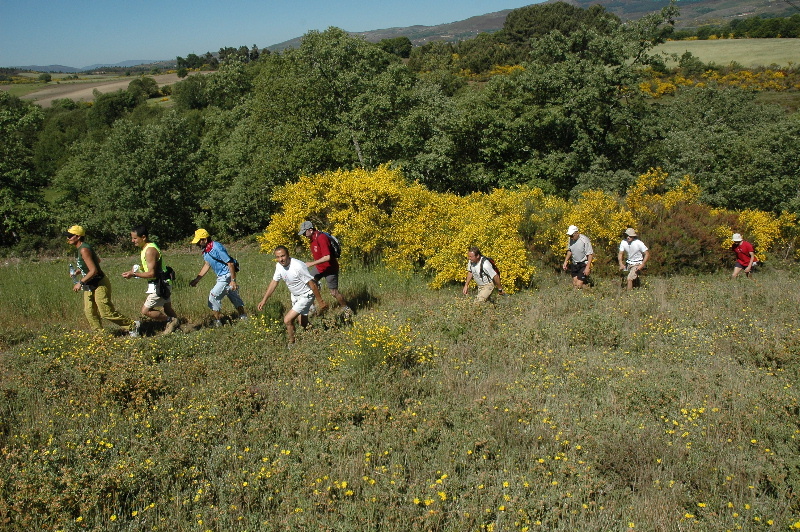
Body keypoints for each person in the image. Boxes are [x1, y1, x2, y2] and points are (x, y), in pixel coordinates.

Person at [63, 225, 140, 337]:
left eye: (70, 236)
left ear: (78, 237)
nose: (68, 238)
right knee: (89, 311)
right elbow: (96, 261)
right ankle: (100, 335)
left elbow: (93, 270)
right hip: (89, 284)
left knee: (105, 312)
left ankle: (132, 325)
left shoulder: (84, 249)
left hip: (99, 283)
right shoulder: (81, 249)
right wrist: (78, 272)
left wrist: (81, 282)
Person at [257, 246, 328, 345]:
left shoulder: (298, 266)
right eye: (278, 257)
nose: (281, 259)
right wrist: (264, 300)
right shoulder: (279, 266)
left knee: (287, 320)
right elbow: (274, 282)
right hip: (295, 295)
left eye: (283, 256)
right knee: (303, 323)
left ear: (288, 255)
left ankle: (292, 343)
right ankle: (320, 335)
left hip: (306, 295)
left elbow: (312, 284)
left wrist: (321, 302)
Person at [121, 225, 181, 334]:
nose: (132, 241)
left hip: (160, 284)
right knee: (167, 308)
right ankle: (178, 328)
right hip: (163, 282)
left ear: (143, 237)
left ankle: (171, 320)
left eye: (135, 238)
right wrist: (136, 269)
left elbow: (152, 273)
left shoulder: (150, 251)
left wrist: (134, 274)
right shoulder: (146, 248)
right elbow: (149, 268)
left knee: (146, 311)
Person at [188, 228, 247, 326]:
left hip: (226, 275)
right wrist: (197, 279)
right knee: (233, 296)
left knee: (213, 296)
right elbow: (207, 264)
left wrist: (233, 280)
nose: (197, 244)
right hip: (222, 276)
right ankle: (243, 317)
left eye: (198, 241)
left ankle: (217, 322)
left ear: (205, 240)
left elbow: (230, 263)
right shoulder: (206, 250)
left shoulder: (216, 247)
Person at [298, 221, 352, 316]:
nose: (304, 235)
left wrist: (311, 263)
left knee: (334, 292)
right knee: (309, 284)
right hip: (320, 268)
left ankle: (346, 308)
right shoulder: (312, 238)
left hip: (330, 268)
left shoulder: (321, 238)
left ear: (310, 230)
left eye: (304, 232)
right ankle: (312, 309)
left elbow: (327, 257)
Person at [562, 225, 594, 289]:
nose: (570, 237)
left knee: (579, 285)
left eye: (572, 235)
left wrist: (587, 267)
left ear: (577, 233)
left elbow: (590, 254)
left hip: (583, 264)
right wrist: (566, 261)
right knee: (575, 283)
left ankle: (587, 291)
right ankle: (586, 289)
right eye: (569, 236)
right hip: (575, 264)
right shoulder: (570, 239)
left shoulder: (584, 240)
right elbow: (570, 251)